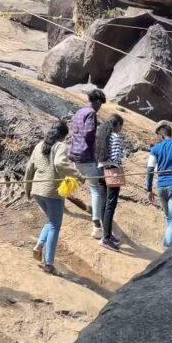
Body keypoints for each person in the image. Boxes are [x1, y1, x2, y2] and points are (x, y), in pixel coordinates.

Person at [25, 121, 77, 274]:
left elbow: (29, 168)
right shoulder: (60, 146)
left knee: (51, 220)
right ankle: (48, 264)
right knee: (55, 225)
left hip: (37, 191)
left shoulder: (39, 145)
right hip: (52, 192)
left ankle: (39, 246)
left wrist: (27, 189)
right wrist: (77, 175)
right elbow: (60, 164)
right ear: (62, 136)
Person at [68, 88, 106, 238]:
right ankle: (97, 226)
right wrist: (95, 142)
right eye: (100, 103)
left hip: (75, 154)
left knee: (79, 181)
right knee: (95, 189)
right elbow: (89, 132)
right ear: (96, 101)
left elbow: (76, 131)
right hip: (87, 156)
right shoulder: (91, 113)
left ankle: (61, 195)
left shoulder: (79, 112)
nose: (100, 107)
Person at [146, 121, 172, 249]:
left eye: (158, 135)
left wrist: (149, 189)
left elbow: (150, 169)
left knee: (170, 219)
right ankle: (168, 249)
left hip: (161, 186)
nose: (157, 138)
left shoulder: (155, 149)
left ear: (162, 135)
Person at [95, 114, 126, 251]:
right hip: (113, 170)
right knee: (110, 205)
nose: (121, 129)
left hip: (101, 170)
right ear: (117, 125)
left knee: (103, 203)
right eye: (121, 126)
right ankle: (106, 238)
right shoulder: (116, 137)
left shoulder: (101, 135)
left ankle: (106, 234)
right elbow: (116, 156)